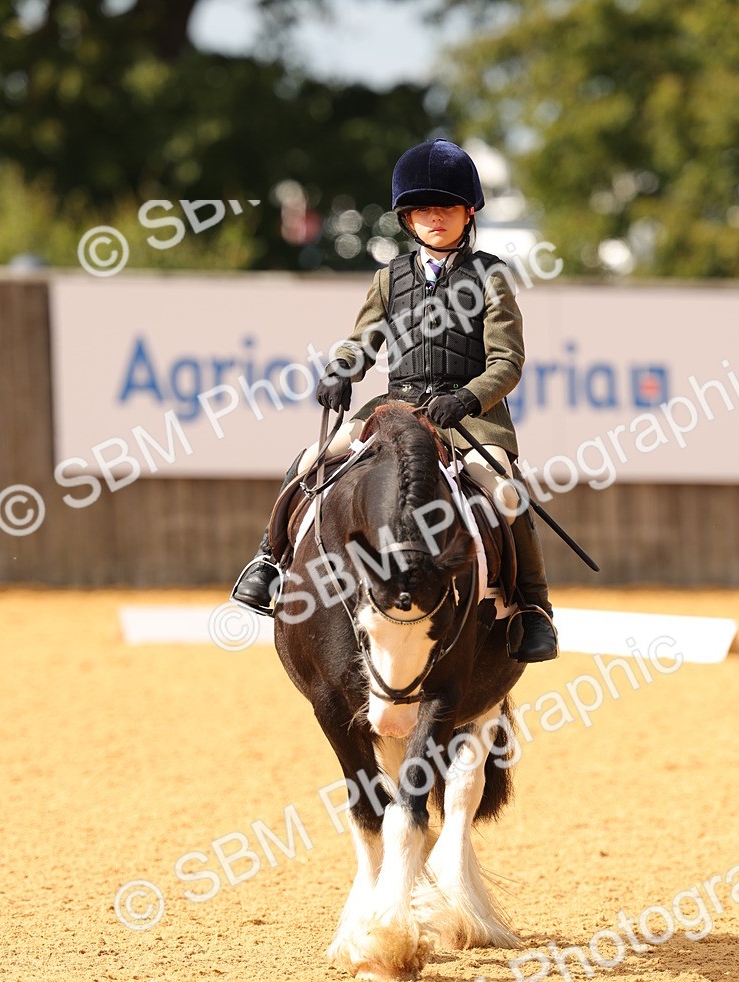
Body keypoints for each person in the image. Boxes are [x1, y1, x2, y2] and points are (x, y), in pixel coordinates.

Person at [232, 138, 557, 662]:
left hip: (465, 419)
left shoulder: (491, 276)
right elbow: (362, 340)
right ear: (407, 217)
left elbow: (507, 362)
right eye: (422, 210)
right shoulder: (389, 277)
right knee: (311, 459)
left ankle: (532, 608)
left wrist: (470, 399)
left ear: (467, 211)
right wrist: (341, 370)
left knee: (503, 487)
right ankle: (270, 560)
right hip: (395, 408)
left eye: (446, 208)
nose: (435, 218)